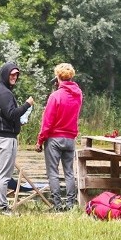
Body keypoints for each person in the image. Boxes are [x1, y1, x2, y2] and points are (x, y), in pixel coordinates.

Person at [0, 61, 34, 214]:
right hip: (6, 139)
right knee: (4, 175)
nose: (14, 77)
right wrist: (27, 105)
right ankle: (1, 206)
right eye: (11, 74)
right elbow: (12, 113)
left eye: (16, 74)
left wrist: (18, 122)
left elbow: (6, 115)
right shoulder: (5, 93)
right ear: (5, 74)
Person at [36, 62, 83, 211]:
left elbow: (47, 122)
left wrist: (40, 141)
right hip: (70, 139)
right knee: (69, 172)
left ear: (58, 77)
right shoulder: (78, 95)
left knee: (53, 172)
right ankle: (70, 204)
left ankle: (57, 205)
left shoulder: (55, 96)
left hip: (54, 139)